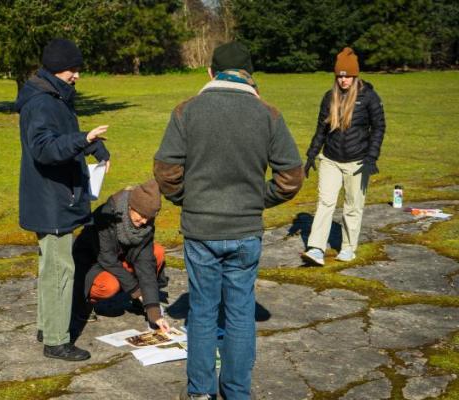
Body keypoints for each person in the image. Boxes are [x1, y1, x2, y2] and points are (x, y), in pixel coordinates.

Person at [154, 41, 304, 400]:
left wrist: (185, 199)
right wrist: (258, 200)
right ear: (250, 75)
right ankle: (237, 392)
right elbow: (292, 178)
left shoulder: (186, 110)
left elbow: (166, 170)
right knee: (240, 313)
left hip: (201, 227)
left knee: (203, 312)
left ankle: (201, 392)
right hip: (244, 229)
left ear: (210, 72)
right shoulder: (267, 113)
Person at [14, 38, 110, 362]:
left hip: (55, 197)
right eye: (74, 69)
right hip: (52, 200)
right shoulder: (41, 103)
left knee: (51, 266)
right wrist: (83, 139)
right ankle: (56, 341)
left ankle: (47, 326)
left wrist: (93, 146)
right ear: (58, 68)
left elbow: (62, 136)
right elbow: (44, 149)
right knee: (59, 269)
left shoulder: (55, 97)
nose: (77, 76)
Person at [302, 47, 386, 266]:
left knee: (352, 206)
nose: (344, 81)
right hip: (330, 159)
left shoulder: (369, 97)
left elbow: (379, 127)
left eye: (347, 76)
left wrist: (371, 157)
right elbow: (320, 130)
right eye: (340, 76)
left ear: (355, 75)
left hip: (358, 161)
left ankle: (348, 248)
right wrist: (311, 155)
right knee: (325, 202)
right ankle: (316, 248)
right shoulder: (329, 98)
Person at [72, 179, 170, 333]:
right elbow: (107, 259)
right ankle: (86, 303)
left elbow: (145, 264)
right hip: (93, 261)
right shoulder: (105, 215)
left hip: (119, 258)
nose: (144, 221)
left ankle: (140, 303)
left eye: (149, 218)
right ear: (131, 207)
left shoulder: (146, 225)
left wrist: (153, 311)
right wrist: (137, 291)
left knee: (156, 252)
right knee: (109, 285)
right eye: (142, 215)